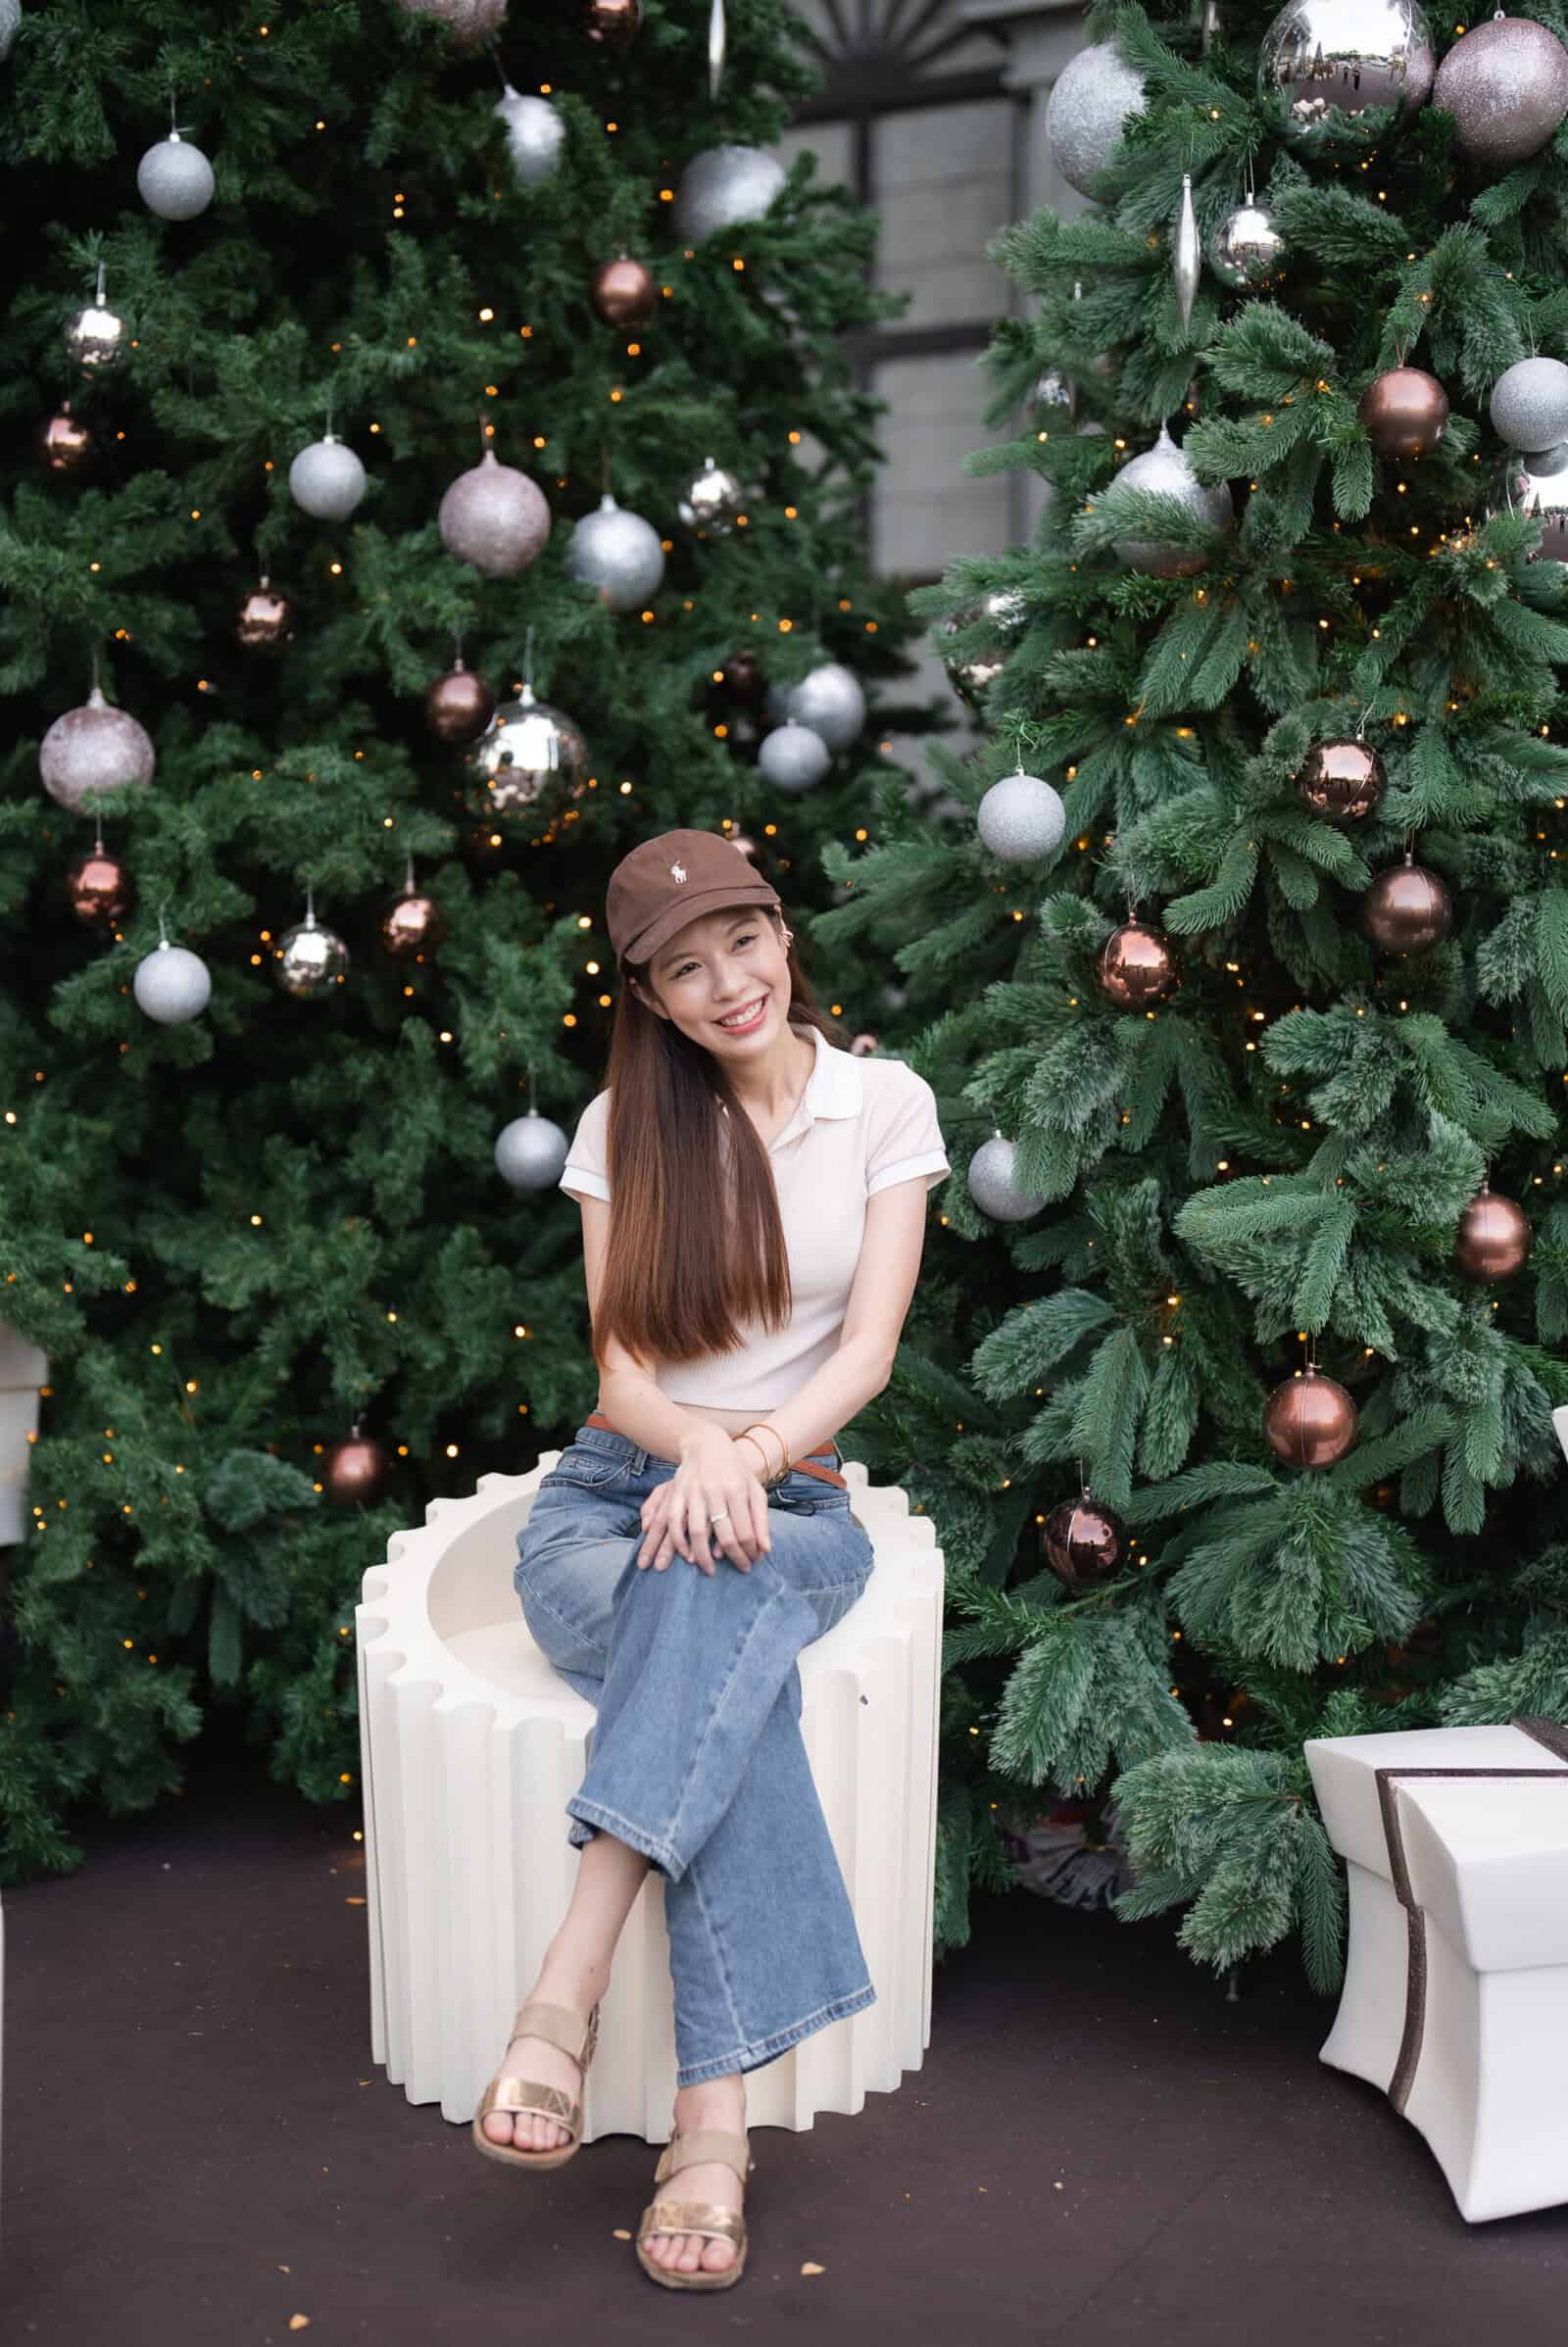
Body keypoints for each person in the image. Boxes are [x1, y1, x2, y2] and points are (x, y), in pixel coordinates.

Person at [472, 827, 949, 2292]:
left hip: (793, 1493)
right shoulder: (626, 1124)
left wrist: (745, 1459)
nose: (727, 983)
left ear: (782, 934)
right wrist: (695, 1455)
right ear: (651, 998)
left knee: (709, 1576)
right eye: (684, 969)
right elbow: (619, 1379)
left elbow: (867, 1353)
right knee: (701, 1610)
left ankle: (567, 1989)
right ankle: (711, 2129)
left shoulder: (883, 1104)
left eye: (741, 942)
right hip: (610, 1499)